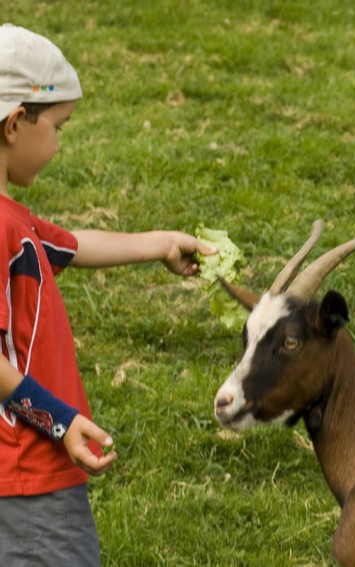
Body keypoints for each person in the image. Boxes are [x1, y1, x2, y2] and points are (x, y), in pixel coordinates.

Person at [0, 24, 216, 565]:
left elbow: (71, 245)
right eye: (58, 126)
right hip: (28, 480)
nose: (59, 143)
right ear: (14, 123)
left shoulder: (14, 222)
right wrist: (59, 418)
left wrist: (162, 243)